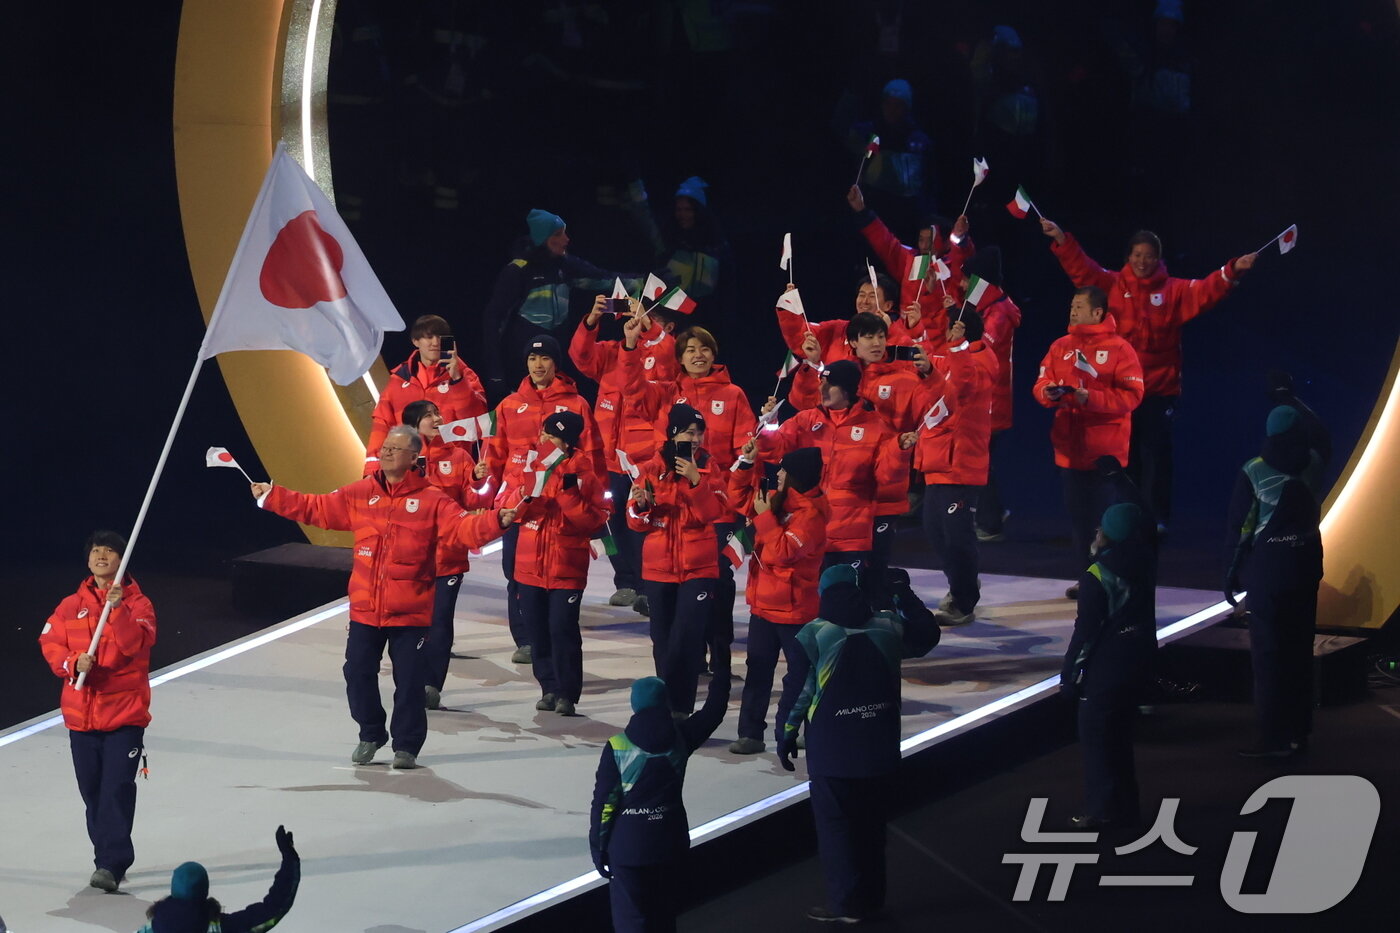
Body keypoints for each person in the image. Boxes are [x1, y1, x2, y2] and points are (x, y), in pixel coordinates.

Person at [252, 425, 514, 769]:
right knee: (357, 673)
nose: (386, 452)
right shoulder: (361, 492)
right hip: (365, 609)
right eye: (385, 447)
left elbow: (463, 529)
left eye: (395, 448)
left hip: (410, 612)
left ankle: (406, 746)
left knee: (409, 683)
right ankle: (371, 732)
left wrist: (496, 521)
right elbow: (317, 507)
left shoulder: (433, 500)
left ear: (414, 458)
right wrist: (272, 496)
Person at [1040, 217, 1257, 533]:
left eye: (1149, 256)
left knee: (1157, 455)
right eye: (1137, 255)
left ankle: (1156, 518)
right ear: (1128, 256)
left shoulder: (1174, 291)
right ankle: (1128, 514)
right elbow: (1082, 269)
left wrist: (1233, 269)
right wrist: (1061, 239)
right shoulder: (1112, 285)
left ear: (1159, 259)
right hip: (1121, 392)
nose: (1142, 261)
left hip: (1158, 391)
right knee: (1126, 456)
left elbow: (1207, 289)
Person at [621, 317, 758, 677]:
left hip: (716, 503)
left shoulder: (733, 394)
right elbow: (632, 390)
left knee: (719, 584)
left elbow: (744, 452)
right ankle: (688, 661)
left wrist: (728, 493)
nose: (699, 355)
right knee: (677, 586)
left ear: (714, 354)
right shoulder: (666, 392)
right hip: (671, 503)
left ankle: (720, 657)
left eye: (705, 349)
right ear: (679, 358)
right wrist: (631, 346)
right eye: (691, 350)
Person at [779, 565, 903, 924]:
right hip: (880, 745)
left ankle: (845, 905)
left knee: (837, 831)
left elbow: (800, 692)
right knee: (873, 828)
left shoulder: (814, 634)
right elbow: (927, 634)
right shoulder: (889, 626)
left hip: (833, 751)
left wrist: (786, 734)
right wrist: (902, 592)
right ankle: (872, 900)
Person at [39, 530, 156, 893]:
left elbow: (135, 645)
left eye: (109, 551)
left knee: (116, 790)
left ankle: (111, 863)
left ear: (122, 559)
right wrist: (72, 662)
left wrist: (118, 610)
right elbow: (49, 641)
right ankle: (104, 855)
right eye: (95, 550)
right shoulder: (69, 605)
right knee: (92, 793)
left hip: (124, 717)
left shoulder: (139, 605)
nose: (101, 555)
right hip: (81, 719)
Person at [479, 334, 605, 663]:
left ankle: (550, 636)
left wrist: (594, 499)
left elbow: (593, 454)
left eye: (545, 358)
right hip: (518, 502)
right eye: (533, 358)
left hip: (562, 503)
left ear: (555, 363)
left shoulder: (577, 404)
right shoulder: (509, 405)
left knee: (557, 571)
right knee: (515, 572)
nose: (538, 364)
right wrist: (490, 496)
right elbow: (494, 454)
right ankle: (525, 639)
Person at [589, 672, 733, 933]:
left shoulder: (617, 747)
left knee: (632, 920)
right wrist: (721, 669)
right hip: (670, 843)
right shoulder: (682, 737)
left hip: (628, 848)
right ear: (665, 701)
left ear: (634, 705)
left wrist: (598, 848)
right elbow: (714, 710)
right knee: (664, 916)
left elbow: (605, 804)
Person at [569, 295, 680, 612]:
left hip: (643, 458)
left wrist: (648, 327)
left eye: (650, 319)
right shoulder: (612, 351)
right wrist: (591, 320)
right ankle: (626, 581)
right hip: (607, 455)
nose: (639, 322)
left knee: (641, 520)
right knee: (610, 519)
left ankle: (647, 586)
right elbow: (581, 356)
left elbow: (669, 358)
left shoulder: (663, 356)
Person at [1033, 286, 1145, 594]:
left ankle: (1114, 581)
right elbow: (1041, 381)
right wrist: (1048, 392)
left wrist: (1091, 398)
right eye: (1072, 305)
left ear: (1098, 312)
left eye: (1079, 306)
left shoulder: (1120, 348)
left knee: (1107, 523)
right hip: (1070, 450)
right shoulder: (1060, 346)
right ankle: (1090, 580)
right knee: (1081, 524)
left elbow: (1132, 396)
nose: (1073, 311)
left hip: (1105, 452)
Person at [1226, 406, 1324, 758]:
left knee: (1268, 658)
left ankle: (1272, 739)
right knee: (1300, 652)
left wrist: (1231, 574)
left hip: (1268, 572)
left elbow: (1241, 528)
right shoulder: (1314, 462)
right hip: (1306, 565)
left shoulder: (1253, 471)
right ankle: (1299, 734)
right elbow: (1321, 437)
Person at [751, 360, 904, 580]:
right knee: (808, 596)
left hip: (849, 535)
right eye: (821, 382)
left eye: (829, 384)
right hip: (808, 530)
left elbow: (886, 475)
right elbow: (774, 452)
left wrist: (899, 450)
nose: (822, 388)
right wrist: (769, 424)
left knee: (843, 596)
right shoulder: (806, 419)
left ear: (847, 389)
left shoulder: (876, 426)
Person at [626, 404, 731, 716]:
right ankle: (664, 705)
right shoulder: (650, 468)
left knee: (686, 639)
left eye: (700, 433)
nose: (695, 439)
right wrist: (642, 506)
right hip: (659, 569)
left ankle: (680, 709)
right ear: (673, 434)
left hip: (698, 569)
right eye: (689, 433)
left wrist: (697, 481)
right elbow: (635, 522)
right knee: (662, 640)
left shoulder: (709, 468)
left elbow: (713, 513)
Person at [1060, 503, 1157, 829]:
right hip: (1137, 661)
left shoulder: (1098, 576)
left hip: (1106, 669)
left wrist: (1069, 674)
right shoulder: (1146, 560)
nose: (1096, 531)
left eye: (1101, 527)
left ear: (1109, 533)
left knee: (1098, 740)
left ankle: (1102, 811)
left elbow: (1086, 632)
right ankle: (1126, 809)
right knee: (1120, 740)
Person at [725, 447, 828, 754]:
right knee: (757, 671)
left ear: (796, 476)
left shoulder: (811, 515)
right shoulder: (776, 501)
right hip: (763, 606)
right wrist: (746, 463)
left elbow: (784, 552)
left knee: (799, 676)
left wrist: (764, 517)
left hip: (796, 611)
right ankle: (750, 734)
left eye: (784, 470)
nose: (778, 474)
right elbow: (736, 497)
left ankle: (796, 731)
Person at [512, 411, 610, 717]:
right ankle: (549, 688)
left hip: (567, 567)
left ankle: (567, 693)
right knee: (537, 631)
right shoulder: (530, 466)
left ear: (566, 443)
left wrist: (569, 497)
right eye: (543, 433)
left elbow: (596, 519)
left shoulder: (584, 473)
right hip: (529, 566)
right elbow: (510, 508)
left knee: (562, 629)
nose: (542, 439)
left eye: (550, 435)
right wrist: (524, 497)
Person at [481, 208, 638, 394]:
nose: (566, 239)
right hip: (521, 362)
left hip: (558, 357)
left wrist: (644, 281)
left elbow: (605, 278)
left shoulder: (566, 264)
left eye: (564, 232)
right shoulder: (517, 271)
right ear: (542, 240)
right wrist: (495, 371)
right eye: (558, 234)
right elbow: (493, 321)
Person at [909, 306, 999, 625]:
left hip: (961, 462)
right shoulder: (950, 356)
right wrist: (914, 327)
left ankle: (963, 601)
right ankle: (963, 580)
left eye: (946, 327)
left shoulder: (982, 359)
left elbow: (962, 387)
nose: (942, 333)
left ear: (959, 330)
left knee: (958, 537)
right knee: (935, 531)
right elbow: (930, 368)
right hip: (938, 461)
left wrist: (958, 348)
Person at [403, 399, 494, 709]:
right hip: (411, 557)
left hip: (448, 555)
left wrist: (478, 480)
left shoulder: (459, 455)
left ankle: (432, 685)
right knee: (412, 624)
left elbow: (472, 500)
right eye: (428, 416)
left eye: (437, 413)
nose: (436, 418)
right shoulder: (402, 457)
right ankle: (411, 680)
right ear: (414, 425)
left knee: (440, 621)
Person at [365, 313, 488, 470]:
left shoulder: (465, 376)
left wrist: (458, 381)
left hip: (454, 471)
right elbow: (381, 426)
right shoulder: (398, 381)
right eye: (429, 337)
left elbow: (477, 425)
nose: (435, 342)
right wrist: (372, 469)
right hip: (409, 471)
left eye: (440, 337)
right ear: (415, 341)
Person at [137, 825, 300, 933]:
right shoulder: (222, 927)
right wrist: (289, 860)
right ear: (205, 891)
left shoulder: (149, 929)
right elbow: (274, 909)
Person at [846, 183, 972, 310]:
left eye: (930, 241)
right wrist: (861, 211)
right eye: (921, 240)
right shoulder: (912, 260)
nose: (924, 246)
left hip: (946, 322)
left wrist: (960, 237)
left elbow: (962, 254)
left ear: (947, 243)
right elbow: (885, 242)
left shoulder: (955, 265)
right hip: (906, 322)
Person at [846, 78, 933, 236]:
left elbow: (925, 184)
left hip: (904, 215)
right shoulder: (867, 134)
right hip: (873, 209)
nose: (892, 110)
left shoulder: (919, 141)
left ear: (907, 108)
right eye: (888, 104)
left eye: (898, 105)